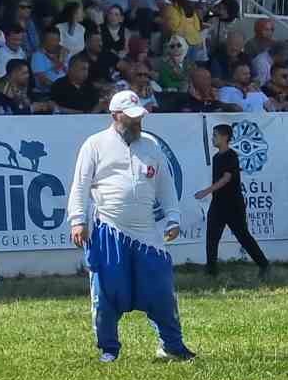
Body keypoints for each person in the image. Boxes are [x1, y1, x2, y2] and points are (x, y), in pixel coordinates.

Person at [68, 90, 194, 363]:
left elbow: (166, 186)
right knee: (106, 291)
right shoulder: (95, 145)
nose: (138, 123)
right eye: (132, 118)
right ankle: (109, 349)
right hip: (107, 229)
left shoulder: (151, 145)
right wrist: (78, 220)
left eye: (140, 117)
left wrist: (173, 217)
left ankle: (171, 345)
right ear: (115, 115)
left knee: (161, 289)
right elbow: (80, 185)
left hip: (147, 231)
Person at [196, 122, 271, 279]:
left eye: (215, 135)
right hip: (218, 204)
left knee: (243, 236)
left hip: (233, 204)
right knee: (212, 237)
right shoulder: (216, 157)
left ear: (225, 137)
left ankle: (264, 264)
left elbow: (227, 178)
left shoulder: (231, 155)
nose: (212, 139)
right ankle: (211, 271)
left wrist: (206, 191)